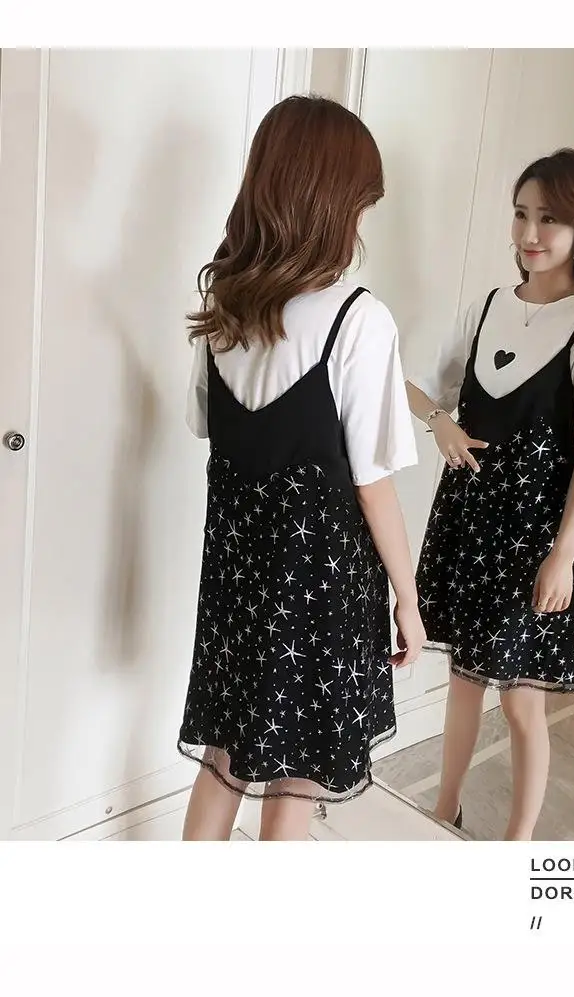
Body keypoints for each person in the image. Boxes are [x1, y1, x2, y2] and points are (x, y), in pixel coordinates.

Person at [177, 95, 425, 841]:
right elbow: (373, 485)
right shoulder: (358, 319)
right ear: (331, 202)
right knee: (297, 776)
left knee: (223, 758)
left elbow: (209, 429)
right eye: (361, 205)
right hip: (321, 592)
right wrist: (408, 598)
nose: (361, 224)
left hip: (238, 584)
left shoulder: (225, 308)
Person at [406, 148, 574, 840]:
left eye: (549, 219)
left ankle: (517, 846)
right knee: (463, 682)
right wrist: (439, 421)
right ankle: (444, 810)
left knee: (521, 702)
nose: (530, 233)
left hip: (537, 538)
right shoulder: (488, 307)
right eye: (521, 214)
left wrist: (563, 555)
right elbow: (416, 387)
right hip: (471, 523)